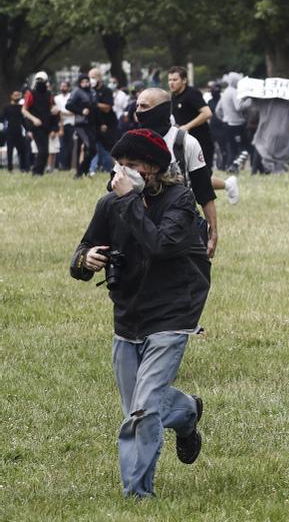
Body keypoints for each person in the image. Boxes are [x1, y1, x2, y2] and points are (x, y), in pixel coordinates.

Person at [68, 128, 210, 499]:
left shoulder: (180, 201)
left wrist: (129, 199)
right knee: (139, 407)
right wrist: (87, 259)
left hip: (171, 313)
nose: (122, 171)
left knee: (143, 412)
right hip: (127, 316)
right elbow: (81, 253)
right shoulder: (110, 202)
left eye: (131, 165)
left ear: (153, 168)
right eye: (119, 164)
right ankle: (186, 412)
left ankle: (138, 495)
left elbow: (160, 245)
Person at [135, 88, 221, 259]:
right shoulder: (132, 142)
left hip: (179, 224)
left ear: (161, 110)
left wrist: (213, 231)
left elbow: (203, 190)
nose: (138, 111)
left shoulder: (186, 143)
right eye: (137, 106)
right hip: (142, 223)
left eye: (144, 106)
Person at [167, 68, 239, 203]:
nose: (171, 83)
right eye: (169, 80)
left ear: (184, 80)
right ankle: (228, 185)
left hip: (201, 142)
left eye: (175, 80)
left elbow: (207, 113)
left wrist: (187, 126)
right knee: (190, 178)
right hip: (183, 143)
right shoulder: (174, 97)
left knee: (201, 178)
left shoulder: (192, 93)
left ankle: (228, 185)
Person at [22, 71, 55, 175]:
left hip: (46, 125)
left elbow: (52, 106)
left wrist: (55, 109)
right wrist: (34, 119)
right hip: (35, 126)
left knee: (45, 150)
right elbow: (24, 110)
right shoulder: (30, 94)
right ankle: (36, 172)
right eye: (38, 80)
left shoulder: (49, 94)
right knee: (42, 150)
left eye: (42, 80)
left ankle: (39, 172)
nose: (40, 82)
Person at [4, 89, 31, 171]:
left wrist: (28, 130)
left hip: (19, 132)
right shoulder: (6, 108)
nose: (17, 97)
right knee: (9, 151)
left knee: (22, 150)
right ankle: (10, 168)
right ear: (11, 96)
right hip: (9, 132)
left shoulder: (21, 108)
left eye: (18, 95)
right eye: (15, 95)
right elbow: (3, 119)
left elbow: (23, 121)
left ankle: (23, 167)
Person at [54, 79, 76, 171]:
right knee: (61, 146)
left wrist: (62, 113)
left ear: (68, 87)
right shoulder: (56, 98)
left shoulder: (72, 96)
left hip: (71, 123)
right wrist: (62, 113)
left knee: (70, 146)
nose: (63, 88)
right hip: (60, 124)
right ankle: (61, 165)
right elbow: (56, 111)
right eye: (62, 86)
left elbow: (73, 111)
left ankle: (68, 165)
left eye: (65, 86)